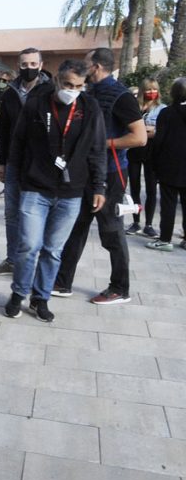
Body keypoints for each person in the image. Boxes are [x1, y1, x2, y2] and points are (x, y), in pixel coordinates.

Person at [3, 59, 107, 322]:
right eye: (68, 84)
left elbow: (97, 150)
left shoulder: (89, 107)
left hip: (71, 193)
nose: (72, 90)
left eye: (79, 86)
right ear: (58, 80)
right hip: (35, 188)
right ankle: (18, 293)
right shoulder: (37, 103)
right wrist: (12, 176)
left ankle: (41, 298)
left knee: (53, 249)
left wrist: (98, 187)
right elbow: (18, 141)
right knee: (28, 246)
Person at [53, 47, 146, 305]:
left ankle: (120, 288)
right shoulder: (88, 92)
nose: (82, 68)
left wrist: (101, 144)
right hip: (86, 174)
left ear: (95, 66)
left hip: (111, 175)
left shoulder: (122, 96)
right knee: (76, 227)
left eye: (86, 63)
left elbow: (139, 138)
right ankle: (62, 281)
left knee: (111, 231)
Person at [0, 48, 52, 275]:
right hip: (14, 161)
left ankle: (32, 263)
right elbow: (4, 130)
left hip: (40, 164)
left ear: (41, 65)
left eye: (33, 64)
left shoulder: (51, 91)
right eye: (24, 64)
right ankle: (12, 261)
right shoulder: (10, 93)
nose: (29, 68)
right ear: (18, 65)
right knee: (11, 213)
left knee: (34, 214)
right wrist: (1, 161)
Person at [147, 77, 186, 251]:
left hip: (169, 165)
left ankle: (165, 239)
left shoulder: (167, 113)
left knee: (168, 204)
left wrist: (154, 164)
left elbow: (159, 141)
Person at [126, 78, 163, 237]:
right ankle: (136, 221)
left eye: (154, 89)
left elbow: (160, 131)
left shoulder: (162, 109)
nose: (151, 92)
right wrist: (148, 130)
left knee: (150, 189)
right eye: (148, 89)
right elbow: (128, 129)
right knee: (134, 187)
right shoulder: (134, 107)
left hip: (152, 154)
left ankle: (148, 224)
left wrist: (145, 130)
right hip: (135, 151)